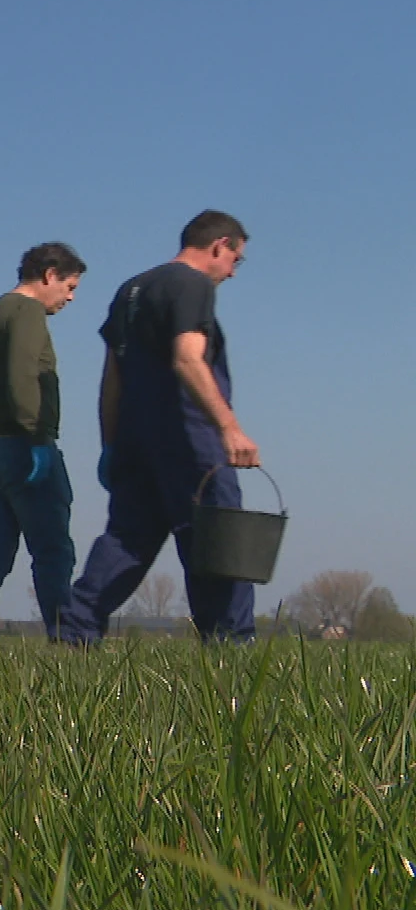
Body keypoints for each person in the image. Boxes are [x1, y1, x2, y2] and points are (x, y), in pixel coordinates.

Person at [60, 211, 261, 644]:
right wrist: (229, 426)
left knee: (128, 539)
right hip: (190, 435)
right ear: (219, 245)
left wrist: (111, 444)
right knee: (219, 536)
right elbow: (188, 357)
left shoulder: (131, 290)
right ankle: (230, 643)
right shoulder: (191, 285)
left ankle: (74, 632)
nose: (231, 271)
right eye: (235, 260)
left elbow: (112, 377)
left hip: (136, 435)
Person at [0, 243, 87, 646]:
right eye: (69, 286)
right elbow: (22, 378)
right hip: (24, 447)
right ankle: (65, 639)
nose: (70, 297)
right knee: (53, 549)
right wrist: (37, 437)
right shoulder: (27, 313)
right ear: (49, 275)